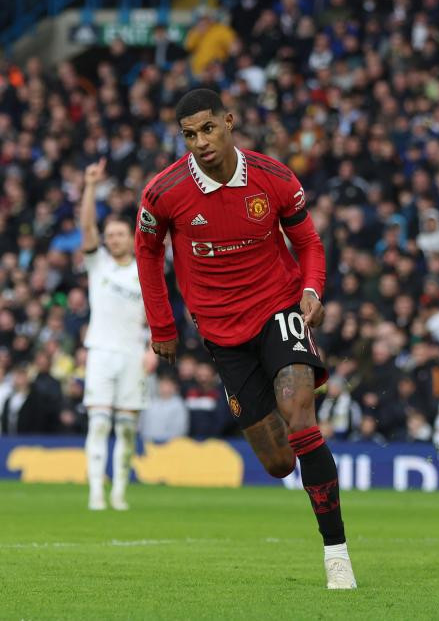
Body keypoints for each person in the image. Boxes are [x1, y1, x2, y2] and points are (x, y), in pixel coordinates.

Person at [135, 88, 354, 589]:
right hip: (220, 331)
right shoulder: (163, 192)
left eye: (208, 129)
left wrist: (312, 290)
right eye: (189, 135)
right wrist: (162, 325)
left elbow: (309, 243)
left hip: (277, 306)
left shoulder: (273, 178)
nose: (200, 142)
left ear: (229, 122)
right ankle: (283, 406)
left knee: (300, 408)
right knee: (279, 463)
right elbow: (146, 254)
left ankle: (336, 554)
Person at [79, 159, 152, 512]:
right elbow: (87, 226)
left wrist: (153, 349)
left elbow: (157, 316)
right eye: (109, 236)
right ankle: (95, 491)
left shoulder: (145, 272)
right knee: (98, 423)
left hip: (132, 354)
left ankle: (120, 492)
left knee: (125, 428)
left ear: (131, 237)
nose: (112, 239)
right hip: (100, 352)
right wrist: (91, 185)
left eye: (119, 234)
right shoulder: (99, 265)